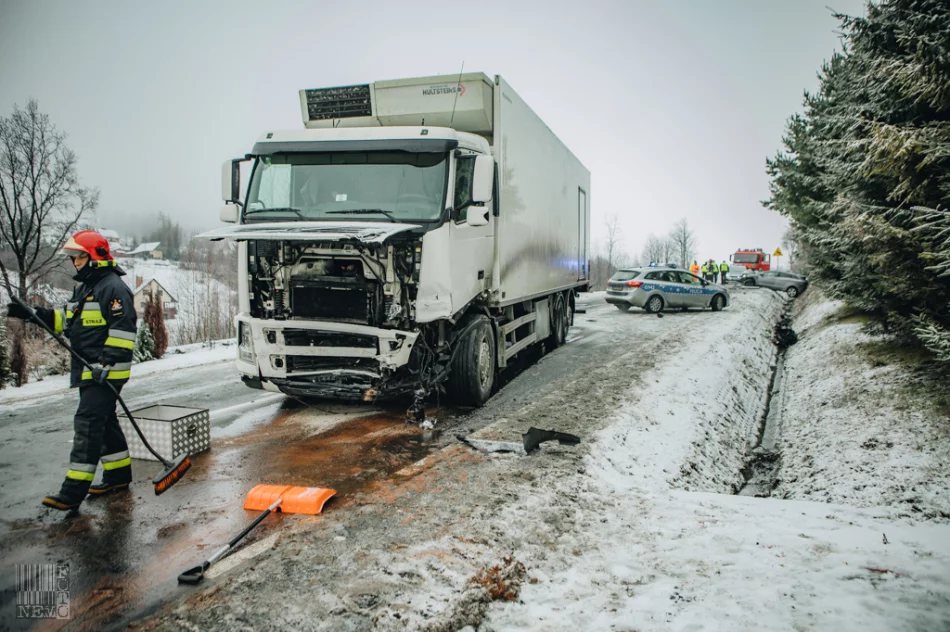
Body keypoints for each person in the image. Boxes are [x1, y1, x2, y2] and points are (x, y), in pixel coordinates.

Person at [6, 230, 137, 511]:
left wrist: (106, 363)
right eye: (73, 258)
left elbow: (123, 331)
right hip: (89, 368)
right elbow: (67, 321)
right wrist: (33, 313)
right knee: (104, 421)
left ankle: (72, 492)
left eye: (78, 257)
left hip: (104, 371)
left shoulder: (113, 288)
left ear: (94, 258)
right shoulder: (86, 288)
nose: (74, 263)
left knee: (88, 424)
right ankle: (117, 476)